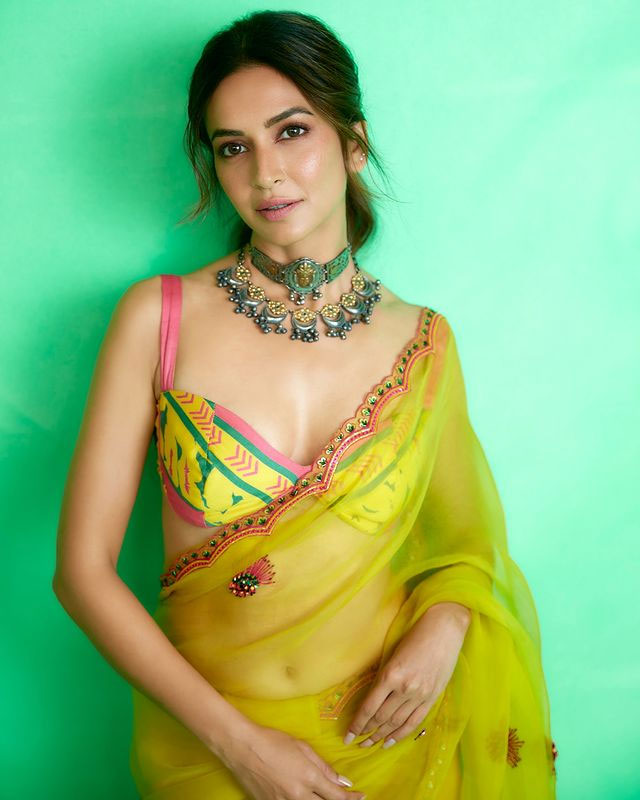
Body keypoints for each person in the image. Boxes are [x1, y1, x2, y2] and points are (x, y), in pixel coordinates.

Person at [52, 10, 557, 799]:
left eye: (292, 132)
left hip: (397, 746)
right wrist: (243, 749)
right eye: (233, 147)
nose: (266, 173)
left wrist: (448, 622)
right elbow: (82, 574)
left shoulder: (422, 342)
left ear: (353, 143)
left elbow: (467, 546)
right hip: (214, 755)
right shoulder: (160, 318)